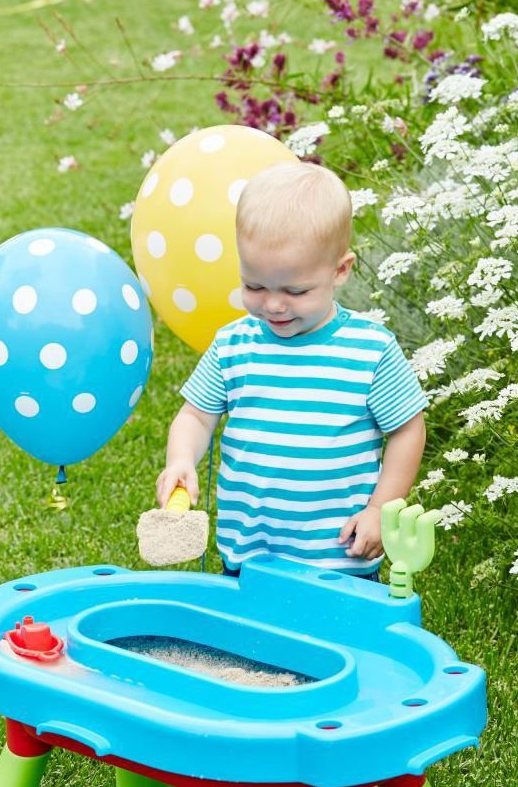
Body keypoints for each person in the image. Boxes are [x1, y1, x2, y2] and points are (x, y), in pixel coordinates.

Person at [156, 161, 428, 582]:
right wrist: (180, 460)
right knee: (247, 648)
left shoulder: (370, 349)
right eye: (255, 286)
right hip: (249, 556)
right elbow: (196, 415)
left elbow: (408, 429)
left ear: (340, 270)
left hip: (339, 559)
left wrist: (380, 508)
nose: (274, 305)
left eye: (295, 290)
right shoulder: (234, 344)